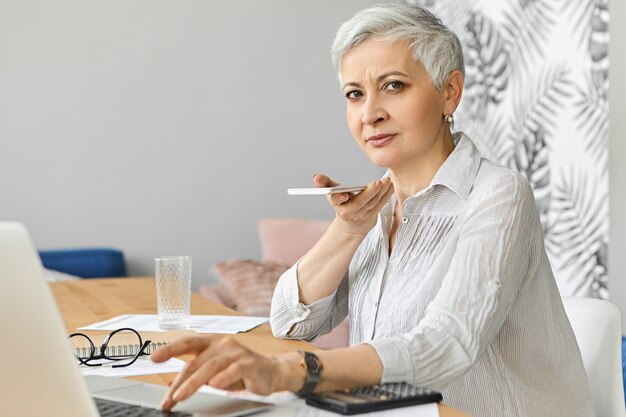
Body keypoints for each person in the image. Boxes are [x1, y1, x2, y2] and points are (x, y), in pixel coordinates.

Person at [152, 2, 595, 416]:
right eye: (354, 94)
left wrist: (292, 371)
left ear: (449, 93)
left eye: (393, 86)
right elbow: (290, 322)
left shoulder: (499, 194)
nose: (370, 114)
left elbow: (448, 344)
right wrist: (346, 230)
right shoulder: (378, 206)